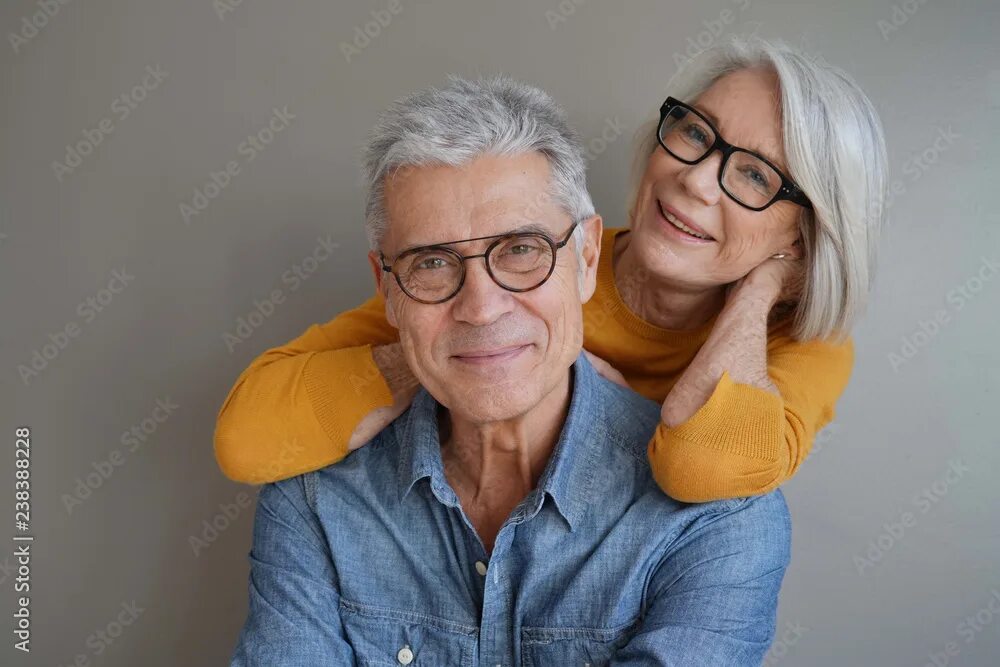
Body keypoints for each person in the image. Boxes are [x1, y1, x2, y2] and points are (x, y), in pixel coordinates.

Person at [229, 74, 791, 665]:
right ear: (387, 291)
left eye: (522, 250)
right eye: (433, 263)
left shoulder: (719, 523)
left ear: (587, 258)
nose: (480, 307)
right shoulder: (314, 501)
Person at [214, 37, 888, 502]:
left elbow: (703, 466)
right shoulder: (530, 264)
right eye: (695, 133)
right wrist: (454, 350)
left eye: (754, 175)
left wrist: (762, 287)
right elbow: (248, 438)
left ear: (802, 235)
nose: (695, 181)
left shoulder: (801, 345)